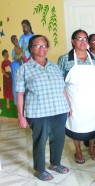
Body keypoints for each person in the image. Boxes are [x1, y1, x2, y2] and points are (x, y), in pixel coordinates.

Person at [15, 35, 71, 181]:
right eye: (38, 45)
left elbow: (63, 89)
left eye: (45, 45)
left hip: (59, 109)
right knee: (40, 141)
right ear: (31, 48)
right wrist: (21, 116)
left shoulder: (55, 66)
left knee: (58, 139)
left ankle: (55, 163)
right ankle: (39, 169)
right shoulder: (24, 69)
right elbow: (20, 94)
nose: (42, 49)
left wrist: (68, 106)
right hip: (38, 112)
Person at [58, 29, 95, 164]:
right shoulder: (65, 59)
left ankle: (91, 149)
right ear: (73, 41)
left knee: (93, 124)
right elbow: (60, 83)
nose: (83, 41)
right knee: (76, 126)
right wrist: (66, 104)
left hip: (93, 100)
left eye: (85, 39)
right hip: (75, 100)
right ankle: (78, 151)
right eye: (79, 39)